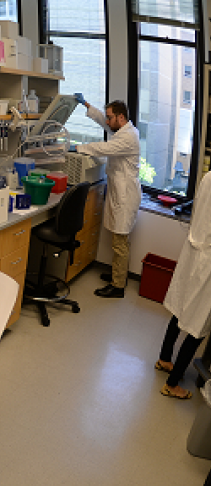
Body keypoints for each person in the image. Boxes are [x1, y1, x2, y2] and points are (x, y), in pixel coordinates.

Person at [73, 94, 142, 298]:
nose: (107, 121)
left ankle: (118, 286)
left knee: (120, 242)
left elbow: (105, 148)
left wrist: (78, 148)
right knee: (119, 239)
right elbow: (103, 120)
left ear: (121, 118)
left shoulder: (128, 137)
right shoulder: (124, 130)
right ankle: (117, 274)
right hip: (119, 190)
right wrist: (86, 105)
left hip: (125, 194)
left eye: (110, 117)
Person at [156, 173, 211, 399]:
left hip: (194, 252)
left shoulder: (208, 176)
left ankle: (165, 358)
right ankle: (172, 384)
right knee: (198, 325)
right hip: (207, 262)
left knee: (180, 311)